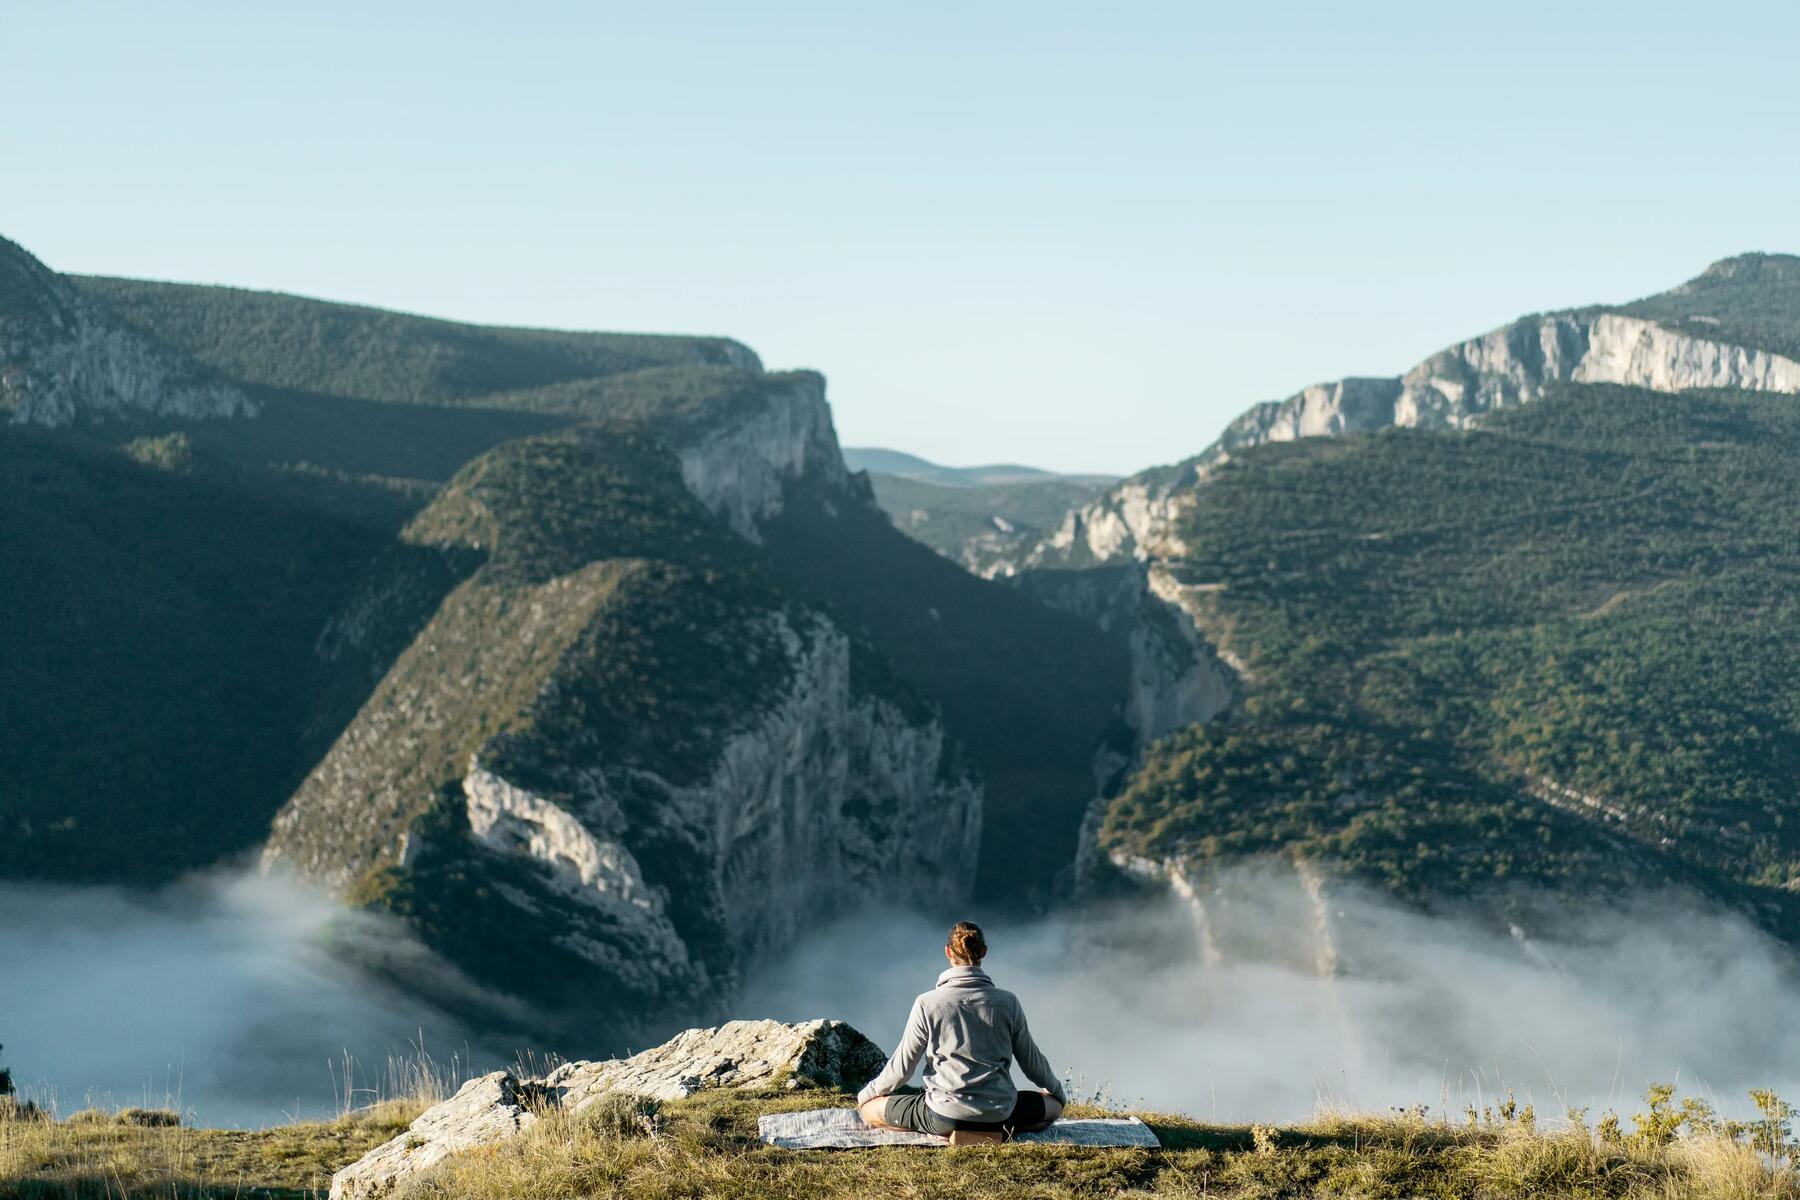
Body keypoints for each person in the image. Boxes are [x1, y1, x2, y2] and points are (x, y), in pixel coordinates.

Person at [855, 920, 1066, 1139]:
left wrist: (867, 1096)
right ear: (983, 952)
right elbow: (1032, 1063)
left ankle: (955, 1131)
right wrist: (1058, 1093)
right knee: (1052, 1106)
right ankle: (993, 1131)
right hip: (1001, 1114)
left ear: (948, 952)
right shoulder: (1008, 1002)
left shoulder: (927, 1003)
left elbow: (902, 1069)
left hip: (944, 1114)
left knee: (871, 1110)